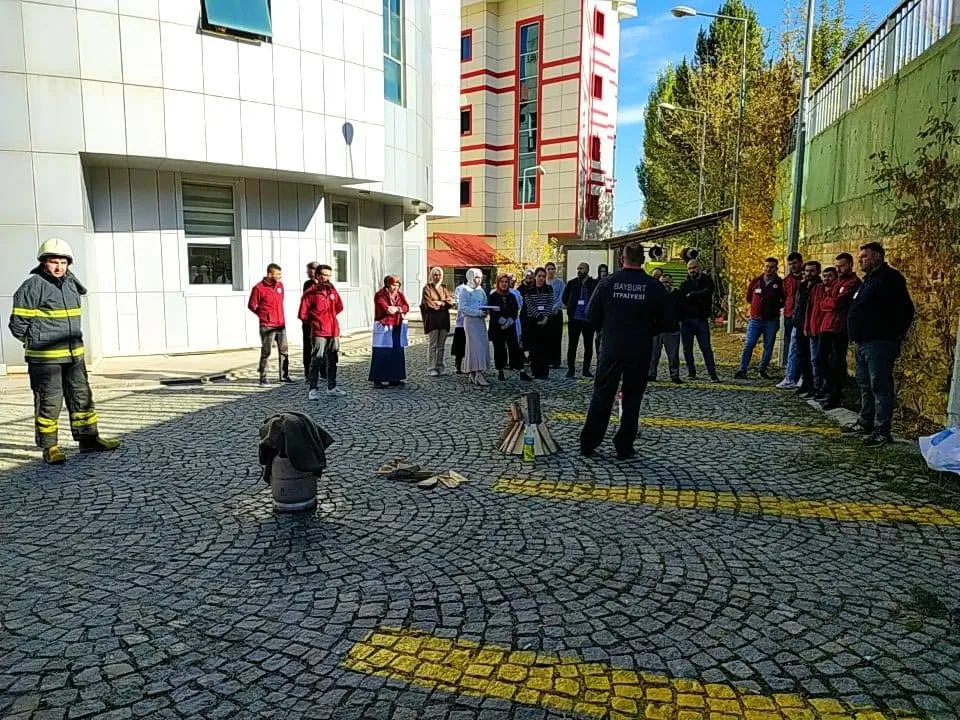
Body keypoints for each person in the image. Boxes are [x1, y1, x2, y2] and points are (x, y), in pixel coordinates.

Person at [8, 238, 121, 464]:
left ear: (69, 264)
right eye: (53, 262)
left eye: (63, 262)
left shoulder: (71, 284)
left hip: (74, 356)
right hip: (45, 360)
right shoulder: (32, 286)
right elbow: (17, 325)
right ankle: (50, 447)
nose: (59, 267)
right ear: (43, 263)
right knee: (49, 402)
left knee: (82, 398)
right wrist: (36, 342)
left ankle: (89, 440)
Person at [579, 241, 665, 460]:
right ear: (643, 261)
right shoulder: (654, 286)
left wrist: (608, 331)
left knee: (602, 394)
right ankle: (624, 445)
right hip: (640, 348)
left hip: (611, 347)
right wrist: (645, 331)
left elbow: (591, 316)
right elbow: (666, 321)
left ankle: (589, 442)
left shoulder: (607, 283)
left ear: (621, 259)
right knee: (633, 397)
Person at [846, 242, 915, 447]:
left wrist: (894, 335)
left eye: (864, 256)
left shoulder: (890, 278)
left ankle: (882, 430)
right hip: (862, 342)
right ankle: (865, 421)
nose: (860, 260)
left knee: (880, 386)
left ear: (877, 257)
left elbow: (906, 310)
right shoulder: (868, 280)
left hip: (880, 342)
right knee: (864, 384)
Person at [813, 254, 862, 410]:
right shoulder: (836, 282)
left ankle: (835, 394)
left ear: (850, 265)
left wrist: (829, 302)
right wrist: (830, 302)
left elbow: (838, 302)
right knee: (820, 359)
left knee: (837, 361)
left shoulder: (854, 283)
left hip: (840, 327)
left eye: (841, 266)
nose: (838, 269)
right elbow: (824, 301)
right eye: (837, 266)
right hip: (827, 325)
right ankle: (830, 387)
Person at [299, 264, 346, 398]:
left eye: (329, 275)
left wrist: (329, 318)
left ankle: (332, 386)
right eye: (324, 275)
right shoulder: (310, 293)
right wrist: (317, 320)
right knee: (317, 359)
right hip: (319, 331)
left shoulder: (332, 290)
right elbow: (303, 314)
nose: (327, 278)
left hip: (333, 330)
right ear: (318, 276)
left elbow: (339, 306)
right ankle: (313, 389)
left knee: (332, 359)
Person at [734, 258, 785, 380]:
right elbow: (749, 298)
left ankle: (762, 369)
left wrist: (773, 308)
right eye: (767, 266)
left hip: (771, 320)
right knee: (749, 344)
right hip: (755, 320)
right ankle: (742, 369)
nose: (768, 269)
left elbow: (783, 300)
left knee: (768, 346)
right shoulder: (756, 281)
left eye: (772, 267)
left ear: (776, 269)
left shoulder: (779, 283)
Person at [248, 263, 293, 386]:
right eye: (277, 274)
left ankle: (284, 376)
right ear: (269, 274)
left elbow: (280, 301)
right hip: (267, 325)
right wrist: (263, 315)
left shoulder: (280, 286)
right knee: (266, 351)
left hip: (280, 324)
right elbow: (252, 305)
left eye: (280, 274)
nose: (280, 276)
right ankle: (263, 378)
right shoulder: (258, 288)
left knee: (284, 350)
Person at [678, 260, 720, 382]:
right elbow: (682, 300)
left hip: (701, 320)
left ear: (699, 267)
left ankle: (712, 374)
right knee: (687, 348)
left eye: (694, 267)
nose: (692, 270)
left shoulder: (707, 281)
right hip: (687, 321)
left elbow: (707, 293)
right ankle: (691, 372)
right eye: (690, 268)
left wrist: (692, 295)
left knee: (706, 348)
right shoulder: (685, 284)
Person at [487, 274, 529, 381]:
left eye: (506, 282)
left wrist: (509, 322)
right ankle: (500, 370)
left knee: (515, 348)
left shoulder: (512, 296)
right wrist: (502, 322)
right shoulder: (493, 296)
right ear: (498, 283)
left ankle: (521, 370)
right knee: (499, 349)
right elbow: (492, 311)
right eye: (502, 282)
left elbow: (515, 311)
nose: (504, 284)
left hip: (510, 327)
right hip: (497, 327)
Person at [370, 276, 410, 387]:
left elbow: (405, 306)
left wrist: (397, 308)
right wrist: (395, 308)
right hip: (384, 326)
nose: (395, 287)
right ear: (388, 284)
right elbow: (385, 308)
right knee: (381, 352)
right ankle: (378, 379)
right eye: (393, 285)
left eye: (397, 285)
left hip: (397, 325)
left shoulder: (399, 295)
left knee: (396, 352)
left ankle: (395, 378)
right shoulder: (380, 295)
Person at [561, 262, 597, 379]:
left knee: (588, 345)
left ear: (587, 269)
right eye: (578, 268)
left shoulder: (593, 283)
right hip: (575, 319)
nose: (579, 270)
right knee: (572, 345)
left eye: (581, 268)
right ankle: (571, 369)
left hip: (588, 320)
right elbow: (564, 298)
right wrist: (571, 308)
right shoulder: (572, 283)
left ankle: (586, 370)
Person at [776, 252, 805, 390]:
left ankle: (798, 376)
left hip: (802, 318)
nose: (793, 266)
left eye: (795, 263)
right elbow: (784, 297)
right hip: (789, 316)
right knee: (791, 347)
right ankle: (791, 375)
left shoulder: (806, 279)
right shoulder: (786, 281)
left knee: (800, 348)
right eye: (790, 264)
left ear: (800, 262)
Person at [794, 261, 822, 399]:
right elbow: (798, 304)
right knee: (801, 356)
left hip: (812, 326)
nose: (809, 273)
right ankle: (805, 382)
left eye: (812, 271)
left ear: (817, 272)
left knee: (813, 357)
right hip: (800, 324)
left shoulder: (819, 286)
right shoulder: (803, 285)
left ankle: (814, 386)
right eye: (807, 271)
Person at [460, 268, 491, 386]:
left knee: (482, 345)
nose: (479, 280)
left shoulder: (481, 290)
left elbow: (485, 303)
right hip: (471, 322)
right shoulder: (465, 290)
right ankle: (477, 372)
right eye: (477, 277)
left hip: (480, 322)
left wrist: (485, 311)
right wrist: (477, 312)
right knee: (475, 346)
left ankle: (474, 372)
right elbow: (463, 307)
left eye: (480, 277)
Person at [649, 274, 683, 383]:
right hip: (656, 329)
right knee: (653, 355)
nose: (665, 285)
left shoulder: (677, 294)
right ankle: (651, 374)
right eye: (662, 282)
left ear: (671, 282)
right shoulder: (655, 295)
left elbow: (682, 309)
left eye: (667, 282)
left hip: (672, 329)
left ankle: (674, 375)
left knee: (673, 355)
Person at [521, 268, 555, 380]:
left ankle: (545, 372)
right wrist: (539, 317)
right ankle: (536, 372)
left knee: (545, 348)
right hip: (533, 321)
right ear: (535, 276)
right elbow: (529, 305)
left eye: (543, 276)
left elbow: (550, 303)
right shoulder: (529, 289)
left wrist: (545, 317)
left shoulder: (549, 288)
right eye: (539, 276)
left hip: (546, 321)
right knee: (534, 348)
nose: (541, 278)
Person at [420, 266, 454, 376]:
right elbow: (429, 304)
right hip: (432, 320)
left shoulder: (444, 288)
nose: (437, 277)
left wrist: (441, 303)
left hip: (444, 320)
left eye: (439, 275)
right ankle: (431, 367)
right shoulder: (427, 288)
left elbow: (450, 302)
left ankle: (440, 366)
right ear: (431, 276)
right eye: (435, 274)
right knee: (433, 345)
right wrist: (440, 304)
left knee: (441, 346)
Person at [545, 262, 565, 368]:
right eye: (549, 269)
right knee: (546, 337)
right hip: (545, 314)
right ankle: (547, 359)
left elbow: (562, 296)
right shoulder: (544, 283)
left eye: (553, 269)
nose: (551, 271)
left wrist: (555, 307)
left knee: (556, 337)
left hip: (556, 313)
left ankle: (556, 361)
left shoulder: (560, 283)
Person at [300, 261, 318, 379]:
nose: (307, 272)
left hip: (320, 322)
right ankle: (308, 372)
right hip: (308, 322)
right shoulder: (308, 284)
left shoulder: (326, 284)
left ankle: (322, 371)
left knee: (321, 346)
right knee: (308, 347)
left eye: (309, 270)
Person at [451, 276, 469, 374]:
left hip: (473, 322)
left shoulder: (478, 289)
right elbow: (459, 304)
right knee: (460, 346)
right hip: (462, 322)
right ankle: (458, 365)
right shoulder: (460, 289)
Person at [594, 263, 609, 357]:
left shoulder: (609, 282)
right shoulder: (596, 283)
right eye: (601, 271)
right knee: (598, 337)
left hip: (607, 313)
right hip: (599, 314)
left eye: (604, 271)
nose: (603, 273)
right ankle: (598, 355)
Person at [508, 274, 524, 349]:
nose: (513, 282)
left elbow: (520, 304)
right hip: (506, 317)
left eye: (514, 281)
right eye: (511, 280)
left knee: (517, 337)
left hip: (515, 317)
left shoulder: (517, 292)